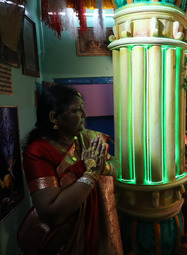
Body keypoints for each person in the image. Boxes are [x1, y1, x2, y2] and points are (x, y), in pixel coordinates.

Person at [18, 85, 123, 254]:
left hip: (94, 226)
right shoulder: (38, 152)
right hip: (63, 239)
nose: (85, 115)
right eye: (77, 110)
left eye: (83, 109)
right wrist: (91, 174)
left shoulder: (86, 139)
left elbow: (118, 165)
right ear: (54, 117)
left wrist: (105, 166)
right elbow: (52, 212)